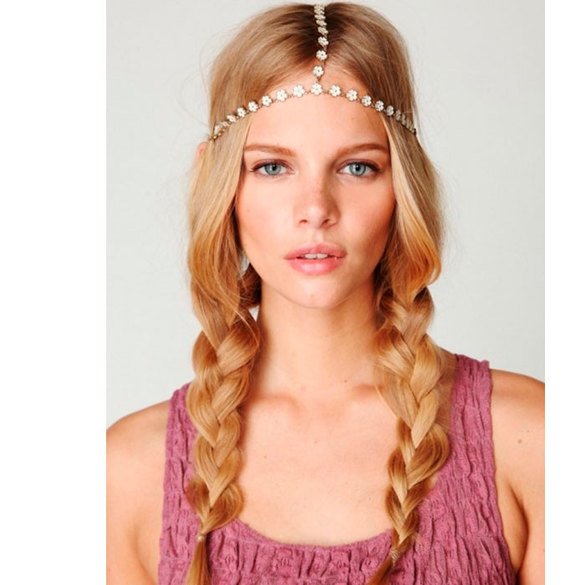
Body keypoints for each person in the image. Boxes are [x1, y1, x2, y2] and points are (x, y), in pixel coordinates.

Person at [107, 3, 544, 584]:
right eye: (272, 167)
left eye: (357, 167)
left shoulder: (530, 438)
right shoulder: (127, 472)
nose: (315, 209)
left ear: (402, 184)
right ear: (220, 182)